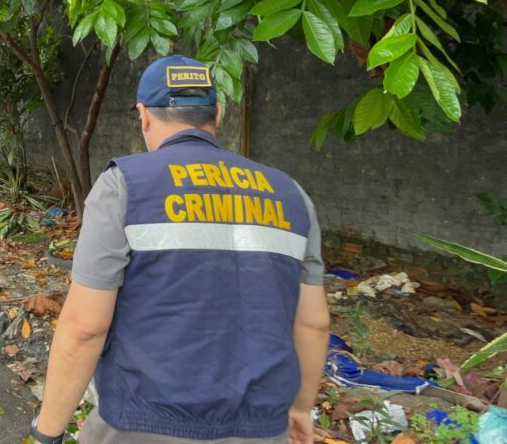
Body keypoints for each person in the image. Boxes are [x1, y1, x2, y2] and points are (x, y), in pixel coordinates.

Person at [29, 55, 331, 444]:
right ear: (217, 114)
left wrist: (47, 433)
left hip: (142, 424)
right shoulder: (292, 195)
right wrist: (300, 409)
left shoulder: (123, 186)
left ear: (144, 115)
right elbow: (314, 323)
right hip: (261, 428)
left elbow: (85, 327)